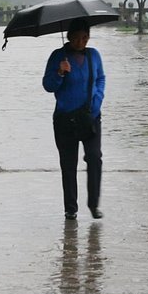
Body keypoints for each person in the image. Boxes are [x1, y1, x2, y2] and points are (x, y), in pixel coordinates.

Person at [43, 19, 106, 220]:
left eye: (85, 38)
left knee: (94, 158)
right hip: (65, 119)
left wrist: (97, 100)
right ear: (69, 37)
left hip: (90, 117)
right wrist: (60, 72)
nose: (81, 42)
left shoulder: (93, 55)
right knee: (69, 164)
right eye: (77, 38)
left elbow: (101, 78)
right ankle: (71, 208)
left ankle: (94, 204)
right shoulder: (58, 57)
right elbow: (48, 85)